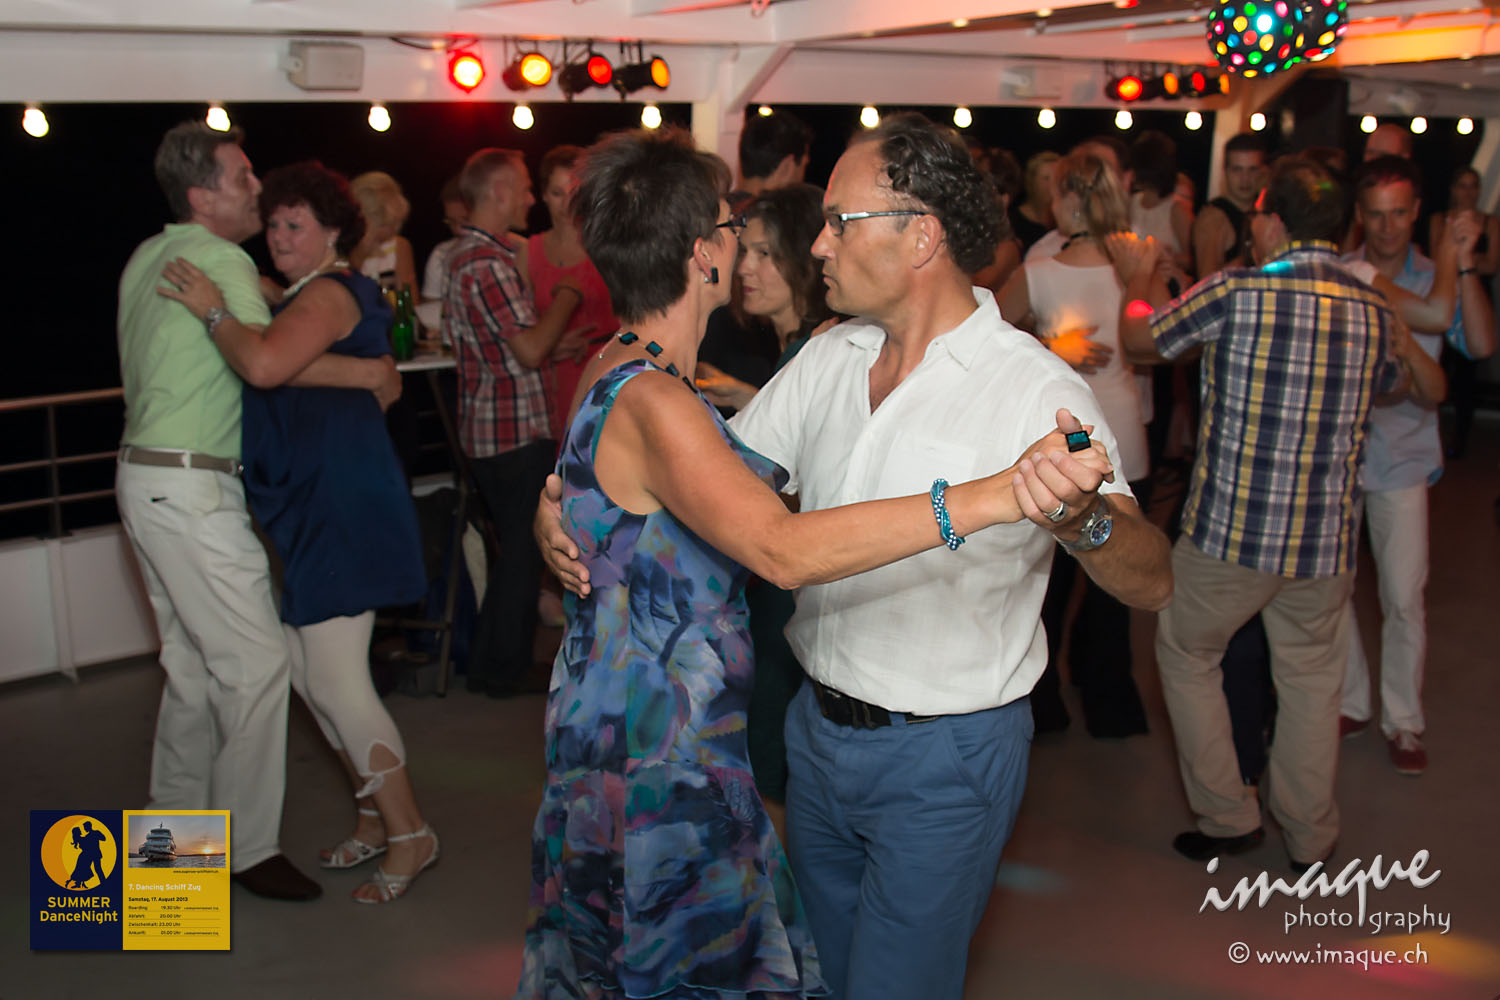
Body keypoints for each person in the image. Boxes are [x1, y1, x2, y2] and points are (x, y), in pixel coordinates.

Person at [537, 113, 1173, 1000]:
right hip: (818, 736)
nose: (818, 243)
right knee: (822, 977)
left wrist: (1080, 519)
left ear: (922, 236)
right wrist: (578, 504)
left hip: (944, 757)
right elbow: (717, 492)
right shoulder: (831, 357)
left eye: (840, 221)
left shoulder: (1031, 385)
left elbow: (1154, 578)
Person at [1115, 156, 1439, 872]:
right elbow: (1395, 384)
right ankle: (1310, 835)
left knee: (1186, 653)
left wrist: (1136, 278)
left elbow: (1141, 339)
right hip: (1324, 546)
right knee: (1312, 686)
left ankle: (1229, 815)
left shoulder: (1236, 291)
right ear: (1343, 227)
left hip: (1231, 538)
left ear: (1271, 221)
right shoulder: (1371, 308)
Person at [117, 121, 397, 901]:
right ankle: (246, 851)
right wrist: (372, 372)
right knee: (257, 665)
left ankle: (170, 857)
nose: (257, 187)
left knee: (192, 671)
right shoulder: (220, 261)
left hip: (143, 476)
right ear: (203, 197)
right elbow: (272, 358)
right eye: (242, 177)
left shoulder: (145, 257)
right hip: (191, 487)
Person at [1338, 156, 1492, 775]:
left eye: (1399, 213)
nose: (1388, 226)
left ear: (1416, 212)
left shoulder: (1438, 276)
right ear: (1360, 215)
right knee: (1335, 590)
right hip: (1338, 458)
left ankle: (1403, 721)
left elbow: (1480, 344)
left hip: (1403, 458)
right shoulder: (1344, 272)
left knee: (1403, 597)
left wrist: (1466, 263)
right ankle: (1352, 701)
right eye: (1376, 214)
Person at [998, 149, 1151, 738]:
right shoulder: (1136, 266)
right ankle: (1111, 706)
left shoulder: (1039, 270)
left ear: (1067, 198)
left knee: (1051, 583)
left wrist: (1048, 344)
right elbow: (1157, 336)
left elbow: (987, 340)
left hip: (1062, 438)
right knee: (1115, 578)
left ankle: (1044, 705)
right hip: (1123, 432)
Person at [444, 148, 589, 699]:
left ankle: (492, 663)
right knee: (524, 555)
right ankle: (501, 669)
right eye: (526, 187)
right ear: (499, 192)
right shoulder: (486, 263)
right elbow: (527, 349)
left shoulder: (470, 256)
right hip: (510, 433)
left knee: (516, 553)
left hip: (492, 429)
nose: (530, 198)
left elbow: (504, 352)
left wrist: (552, 346)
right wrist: (567, 298)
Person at [527, 144, 620, 439]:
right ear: (543, 194)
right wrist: (549, 348)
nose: (567, 203)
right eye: (557, 193)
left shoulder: (609, 248)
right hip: (551, 380)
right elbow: (519, 332)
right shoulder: (528, 252)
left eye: (573, 192)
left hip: (606, 372)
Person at [1428, 165, 1500, 459]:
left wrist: (1460, 258)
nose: (1468, 192)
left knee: (1468, 369)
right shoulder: (1439, 220)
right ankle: (1435, 432)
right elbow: (1436, 260)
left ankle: (1461, 436)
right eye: (1463, 185)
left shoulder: (1490, 223)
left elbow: (1492, 265)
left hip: (1476, 295)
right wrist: (1467, 259)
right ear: (1453, 189)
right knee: (1439, 363)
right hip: (1447, 293)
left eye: (1473, 186)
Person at [1191, 133, 1266, 279]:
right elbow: (1207, 281)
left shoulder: (1262, 213)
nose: (1245, 178)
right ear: (1225, 171)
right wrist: (1251, 255)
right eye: (1237, 170)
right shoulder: (1214, 218)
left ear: (1262, 172)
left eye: (1252, 170)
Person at [350, 170, 418, 295]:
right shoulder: (334, 250)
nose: (393, 230)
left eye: (396, 223)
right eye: (385, 224)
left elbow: (408, 301)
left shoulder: (399, 247)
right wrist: (359, 257)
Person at [416, 175, 468, 334]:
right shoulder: (441, 254)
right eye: (451, 222)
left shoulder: (517, 250)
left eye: (465, 220)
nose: (457, 229)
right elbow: (430, 314)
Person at [1011, 151, 1060, 255]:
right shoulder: (1014, 223)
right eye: (1046, 178)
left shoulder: (1064, 221)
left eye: (1057, 177)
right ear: (1032, 182)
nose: (1053, 183)